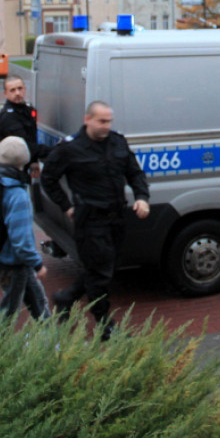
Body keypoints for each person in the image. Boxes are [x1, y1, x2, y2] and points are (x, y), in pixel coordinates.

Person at [40, 101, 149, 339]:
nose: (106, 126)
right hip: (90, 221)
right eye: (102, 121)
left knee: (101, 269)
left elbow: (134, 172)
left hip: (116, 219)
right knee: (100, 275)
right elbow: (48, 177)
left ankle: (65, 298)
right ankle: (104, 326)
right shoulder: (71, 148)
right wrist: (66, 205)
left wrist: (142, 197)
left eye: (109, 121)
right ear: (87, 119)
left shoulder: (117, 142)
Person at [0, 137, 49, 321]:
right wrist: (37, 263)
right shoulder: (17, 194)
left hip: (2, 257)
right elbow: (21, 240)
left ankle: (51, 341)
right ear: (24, 160)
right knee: (8, 312)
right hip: (15, 263)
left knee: (38, 302)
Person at [0, 76, 52, 179]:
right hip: (10, 171)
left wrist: (33, 162)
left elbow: (31, 138)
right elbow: (25, 146)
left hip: (22, 167)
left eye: (20, 88)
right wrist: (55, 150)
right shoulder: (8, 117)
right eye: (12, 90)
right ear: (5, 93)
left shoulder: (26, 110)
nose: (17, 93)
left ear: (24, 89)